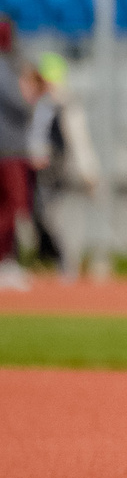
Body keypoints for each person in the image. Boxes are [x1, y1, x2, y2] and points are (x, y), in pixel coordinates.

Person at [0, 28, 30, 290]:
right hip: (8, 151)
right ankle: (5, 262)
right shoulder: (5, 68)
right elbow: (21, 104)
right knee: (10, 208)